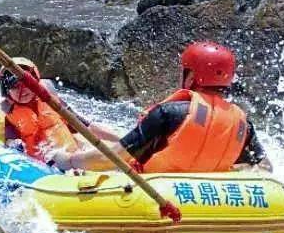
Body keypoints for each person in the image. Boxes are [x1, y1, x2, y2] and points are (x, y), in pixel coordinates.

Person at [50, 41, 272, 174]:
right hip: (207, 202)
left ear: (191, 77)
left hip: (154, 192)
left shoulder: (169, 114)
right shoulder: (243, 125)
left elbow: (113, 158)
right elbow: (264, 168)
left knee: (82, 148)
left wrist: (69, 161)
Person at [0, 57, 118, 163]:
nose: (23, 90)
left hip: (72, 158)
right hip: (42, 166)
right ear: (7, 91)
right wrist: (14, 144)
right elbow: (10, 141)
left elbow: (87, 126)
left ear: (34, 81)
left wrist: (121, 141)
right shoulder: (10, 114)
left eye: (26, 83)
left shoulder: (53, 102)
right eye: (15, 86)